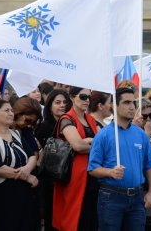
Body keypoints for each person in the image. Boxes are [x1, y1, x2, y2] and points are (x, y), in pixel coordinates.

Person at [88, 87, 151, 231]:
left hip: (137, 197)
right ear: (114, 106)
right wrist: (110, 172)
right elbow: (93, 168)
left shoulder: (141, 134)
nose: (132, 107)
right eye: (126, 103)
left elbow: (150, 165)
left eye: (133, 103)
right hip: (111, 196)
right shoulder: (103, 135)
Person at [0, 99, 38, 230]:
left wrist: (27, 168)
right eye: (6, 110)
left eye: (12, 110)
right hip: (3, 194)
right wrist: (27, 176)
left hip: (24, 192)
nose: (11, 113)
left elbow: (32, 156)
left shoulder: (16, 134)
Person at [52, 87, 98, 231]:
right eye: (83, 96)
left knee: (90, 217)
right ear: (72, 97)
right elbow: (78, 146)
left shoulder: (90, 118)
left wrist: (89, 143)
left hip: (92, 174)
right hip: (73, 175)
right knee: (72, 217)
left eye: (89, 97)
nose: (87, 100)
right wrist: (93, 144)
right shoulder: (66, 119)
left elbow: (97, 144)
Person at [34, 89, 71, 230]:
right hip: (49, 180)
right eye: (58, 102)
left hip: (69, 178)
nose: (62, 105)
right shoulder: (42, 128)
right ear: (50, 105)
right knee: (51, 218)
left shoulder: (72, 126)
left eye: (65, 102)